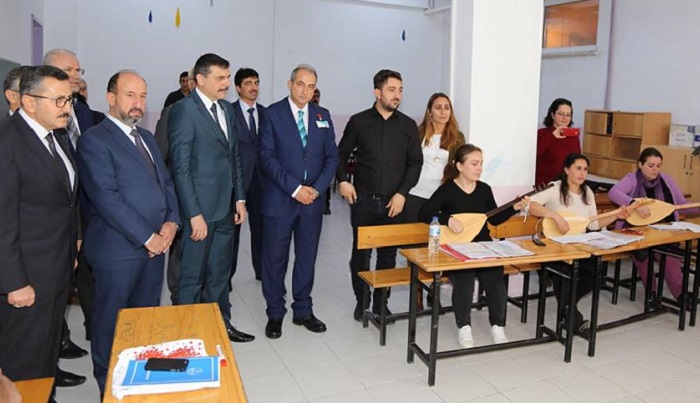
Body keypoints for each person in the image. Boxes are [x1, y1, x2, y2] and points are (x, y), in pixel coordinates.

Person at [77, 70, 181, 394]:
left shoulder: (146, 137)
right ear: (111, 98)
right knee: (111, 324)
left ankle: (139, 383)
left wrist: (172, 223)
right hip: (117, 251)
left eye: (143, 96)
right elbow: (107, 198)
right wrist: (149, 238)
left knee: (145, 321)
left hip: (155, 250)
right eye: (130, 95)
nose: (138, 103)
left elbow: (165, 183)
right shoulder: (94, 140)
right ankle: (109, 388)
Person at [0, 66, 79, 391]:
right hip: (26, 278)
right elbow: (2, 222)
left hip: (56, 270)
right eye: (58, 100)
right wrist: (15, 282)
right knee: (23, 363)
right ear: (29, 102)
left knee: (45, 357)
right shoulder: (7, 142)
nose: (67, 107)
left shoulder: (55, 135)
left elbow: (66, 201)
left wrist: (73, 244)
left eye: (69, 99)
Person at [168, 53, 255, 343]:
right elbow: (180, 168)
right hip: (200, 213)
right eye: (220, 78)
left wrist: (239, 198)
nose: (226, 83)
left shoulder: (227, 109)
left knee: (220, 273)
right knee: (192, 277)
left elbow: (234, 157)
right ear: (200, 79)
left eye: (228, 77)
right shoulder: (184, 111)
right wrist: (193, 214)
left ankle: (221, 325)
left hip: (226, 208)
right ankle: (187, 334)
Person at [258, 64, 339, 339]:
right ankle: (275, 312)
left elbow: (332, 157)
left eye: (311, 86)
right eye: (301, 84)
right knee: (275, 259)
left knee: (307, 257)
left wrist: (316, 189)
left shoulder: (322, 115)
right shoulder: (272, 114)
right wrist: (295, 189)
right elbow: (266, 157)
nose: (305, 91)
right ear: (290, 84)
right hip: (280, 199)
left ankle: (303, 310)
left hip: (312, 202)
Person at [336, 69, 423, 321]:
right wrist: (343, 181)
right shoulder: (359, 121)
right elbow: (340, 154)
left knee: (388, 255)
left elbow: (415, 162)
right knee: (361, 255)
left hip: (394, 203)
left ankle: (381, 302)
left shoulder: (408, 126)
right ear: (377, 92)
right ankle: (361, 300)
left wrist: (402, 193)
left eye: (400, 90)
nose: (397, 95)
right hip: (363, 201)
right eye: (391, 90)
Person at [418, 144, 523, 347]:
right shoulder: (447, 190)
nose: (479, 168)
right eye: (474, 164)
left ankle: (497, 326)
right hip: (456, 250)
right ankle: (464, 327)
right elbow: (423, 213)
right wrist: (447, 219)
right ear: (459, 166)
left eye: (481, 163)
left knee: (496, 280)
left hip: (482, 247)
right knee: (464, 282)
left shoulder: (484, 189)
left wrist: (514, 207)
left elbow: (494, 218)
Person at [527, 153, 629, 331]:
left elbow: (593, 224)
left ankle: (567, 307)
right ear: (567, 170)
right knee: (565, 271)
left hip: (578, 244)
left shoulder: (587, 192)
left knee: (593, 274)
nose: (582, 173)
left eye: (585, 169)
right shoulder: (555, 189)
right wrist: (555, 216)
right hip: (555, 245)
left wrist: (615, 216)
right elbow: (530, 204)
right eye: (578, 168)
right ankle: (572, 318)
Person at [608, 147, 700, 303]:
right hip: (635, 231)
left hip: (663, 231)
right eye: (650, 165)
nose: (655, 169)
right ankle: (651, 294)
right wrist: (633, 203)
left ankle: (681, 295)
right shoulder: (632, 179)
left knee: (669, 255)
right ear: (640, 165)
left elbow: (683, 205)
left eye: (658, 166)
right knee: (643, 254)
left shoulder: (667, 180)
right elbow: (613, 192)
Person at [403, 93, 465, 310]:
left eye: (447, 107)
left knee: (438, 245)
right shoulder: (418, 133)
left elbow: (460, 168)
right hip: (415, 194)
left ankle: (434, 289)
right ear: (430, 111)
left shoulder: (457, 137)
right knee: (416, 245)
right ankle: (417, 293)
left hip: (440, 199)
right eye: (438, 107)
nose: (443, 112)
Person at [154, 69, 196, 305]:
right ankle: (179, 297)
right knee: (180, 250)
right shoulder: (172, 111)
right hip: (180, 195)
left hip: (210, 199)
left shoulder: (222, 112)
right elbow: (160, 157)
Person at [231, 68, 265, 281]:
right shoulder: (228, 112)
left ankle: (261, 272)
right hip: (237, 181)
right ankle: (226, 277)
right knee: (232, 233)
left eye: (256, 82)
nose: (253, 87)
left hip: (261, 181)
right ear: (237, 88)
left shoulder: (266, 113)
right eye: (248, 83)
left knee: (261, 229)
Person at [535, 98, 580, 185]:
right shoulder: (542, 134)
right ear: (552, 115)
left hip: (566, 184)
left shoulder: (573, 137)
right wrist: (552, 136)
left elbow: (577, 161)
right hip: (545, 184)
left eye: (568, 115)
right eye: (561, 114)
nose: (565, 118)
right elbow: (534, 154)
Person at [310, 87, 333, 216]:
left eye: (317, 96)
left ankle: (326, 206)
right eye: (314, 95)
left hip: (322, 158)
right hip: (308, 158)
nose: (315, 98)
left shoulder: (323, 113)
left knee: (324, 183)